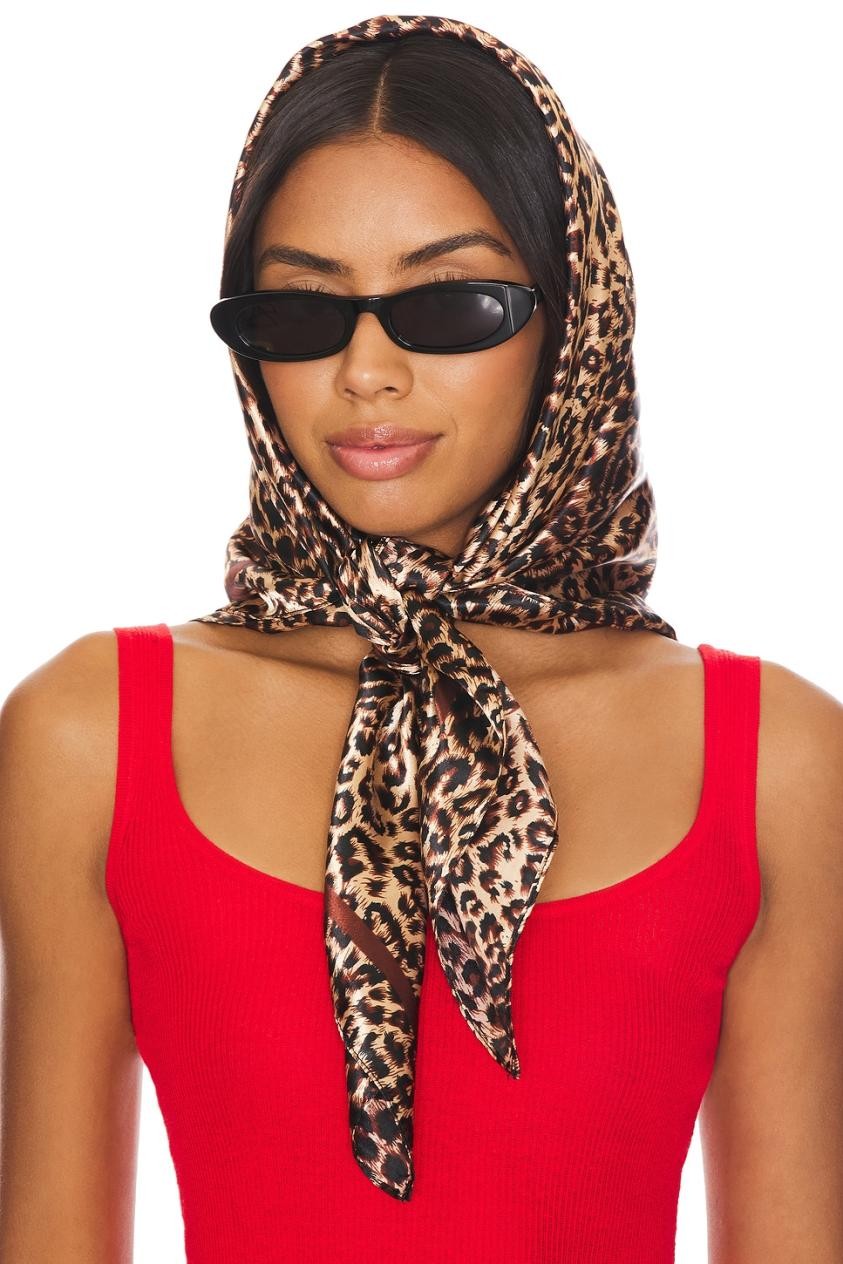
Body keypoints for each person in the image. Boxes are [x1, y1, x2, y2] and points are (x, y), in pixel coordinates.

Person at [1, 14, 841, 1263]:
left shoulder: (778, 760)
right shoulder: (88, 734)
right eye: (302, 311)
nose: (367, 371)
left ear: (573, 317)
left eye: (448, 305)